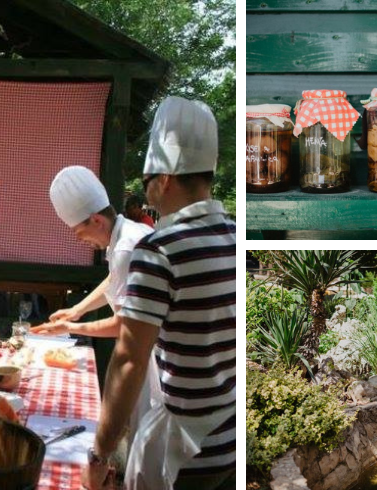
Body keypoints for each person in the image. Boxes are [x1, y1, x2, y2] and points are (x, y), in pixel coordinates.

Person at [84, 97, 236, 490]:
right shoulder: (235, 236)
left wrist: (99, 455)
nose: (144, 186)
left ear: (164, 179)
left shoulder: (159, 250)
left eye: (147, 177)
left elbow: (129, 362)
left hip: (184, 450)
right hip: (231, 441)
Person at [35, 165, 159, 442]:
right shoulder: (126, 233)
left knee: (145, 440)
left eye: (80, 233)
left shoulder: (127, 247)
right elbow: (113, 281)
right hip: (143, 348)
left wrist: (71, 327)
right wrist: (78, 310)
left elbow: (123, 325)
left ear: (96, 221)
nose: (81, 240)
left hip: (149, 357)